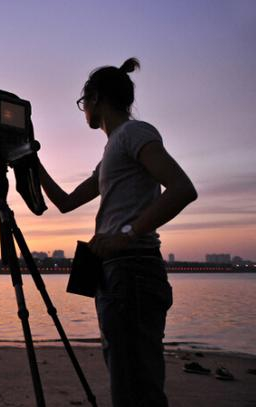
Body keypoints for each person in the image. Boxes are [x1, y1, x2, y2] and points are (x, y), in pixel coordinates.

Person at [38, 57, 197, 406]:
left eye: (83, 103)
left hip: (133, 270)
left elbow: (182, 188)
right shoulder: (112, 149)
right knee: (127, 380)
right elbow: (66, 202)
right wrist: (31, 162)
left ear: (95, 98)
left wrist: (126, 233)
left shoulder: (134, 133)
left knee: (136, 386)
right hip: (116, 274)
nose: (83, 112)